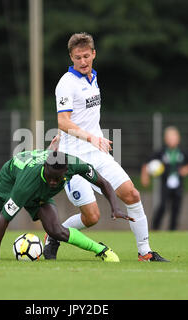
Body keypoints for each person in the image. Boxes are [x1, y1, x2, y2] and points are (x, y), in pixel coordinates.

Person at [45, 32, 168, 262]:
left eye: (86, 56)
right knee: (91, 217)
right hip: (72, 159)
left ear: (93, 54)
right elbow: (62, 121)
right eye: (77, 57)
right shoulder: (66, 83)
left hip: (97, 153)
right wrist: (89, 137)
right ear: (71, 57)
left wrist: (94, 140)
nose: (82, 62)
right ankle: (54, 234)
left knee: (131, 194)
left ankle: (145, 252)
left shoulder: (93, 78)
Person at [0, 149, 134, 262]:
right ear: (44, 168)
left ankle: (101, 251)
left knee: (56, 230)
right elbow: (3, 220)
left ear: (67, 170)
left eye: (59, 179)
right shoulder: (25, 184)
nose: (54, 183)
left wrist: (115, 207)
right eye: (50, 177)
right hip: (8, 184)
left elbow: (104, 183)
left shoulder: (74, 165)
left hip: (37, 192)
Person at [140, 126, 188, 231]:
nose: (171, 140)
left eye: (174, 137)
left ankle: (173, 230)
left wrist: (186, 169)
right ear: (165, 139)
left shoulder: (183, 152)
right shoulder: (161, 152)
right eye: (169, 137)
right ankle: (155, 228)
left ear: (178, 138)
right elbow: (146, 163)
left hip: (179, 184)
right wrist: (145, 176)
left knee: (176, 207)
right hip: (165, 183)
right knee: (162, 206)